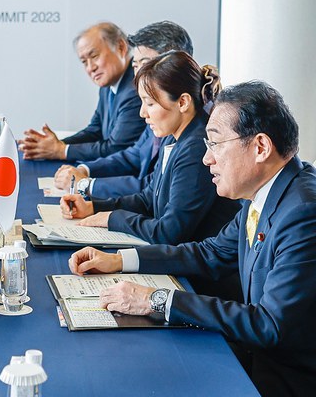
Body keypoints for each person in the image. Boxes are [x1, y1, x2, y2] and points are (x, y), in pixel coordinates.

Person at [69, 81, 316, 396]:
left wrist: (155, 299)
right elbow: (210, 253)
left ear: (260, 147)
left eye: (215, 144)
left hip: (283, 380)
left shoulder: (303, 213)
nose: (206, 159)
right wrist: (120, 260)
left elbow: (269, 324)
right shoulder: (266, 192)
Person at [61, 51, 239, 245]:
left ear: (183, 102)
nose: (142, 113)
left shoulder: (196, 148)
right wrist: (94, 207)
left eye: (150, 103)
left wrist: (112, 218)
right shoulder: (174, 137)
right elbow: (148, 199)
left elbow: (169, 233)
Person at [54, 21, 194, 198]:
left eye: (146, 64)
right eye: (135, 66)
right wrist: (85, 169)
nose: (138, 76)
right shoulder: (158, 111)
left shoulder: (189, 129)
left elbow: (152, 190)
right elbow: (134, 154)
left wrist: (86, 184)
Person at [20, 22, 144, 161]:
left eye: (94, 56)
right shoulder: (107, 86)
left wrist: (61, 150)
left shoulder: (136, 88)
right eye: (84, 61)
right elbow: (94, 131)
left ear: (121, 47)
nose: (90, 68)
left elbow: (116, 148)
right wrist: (54, 146)